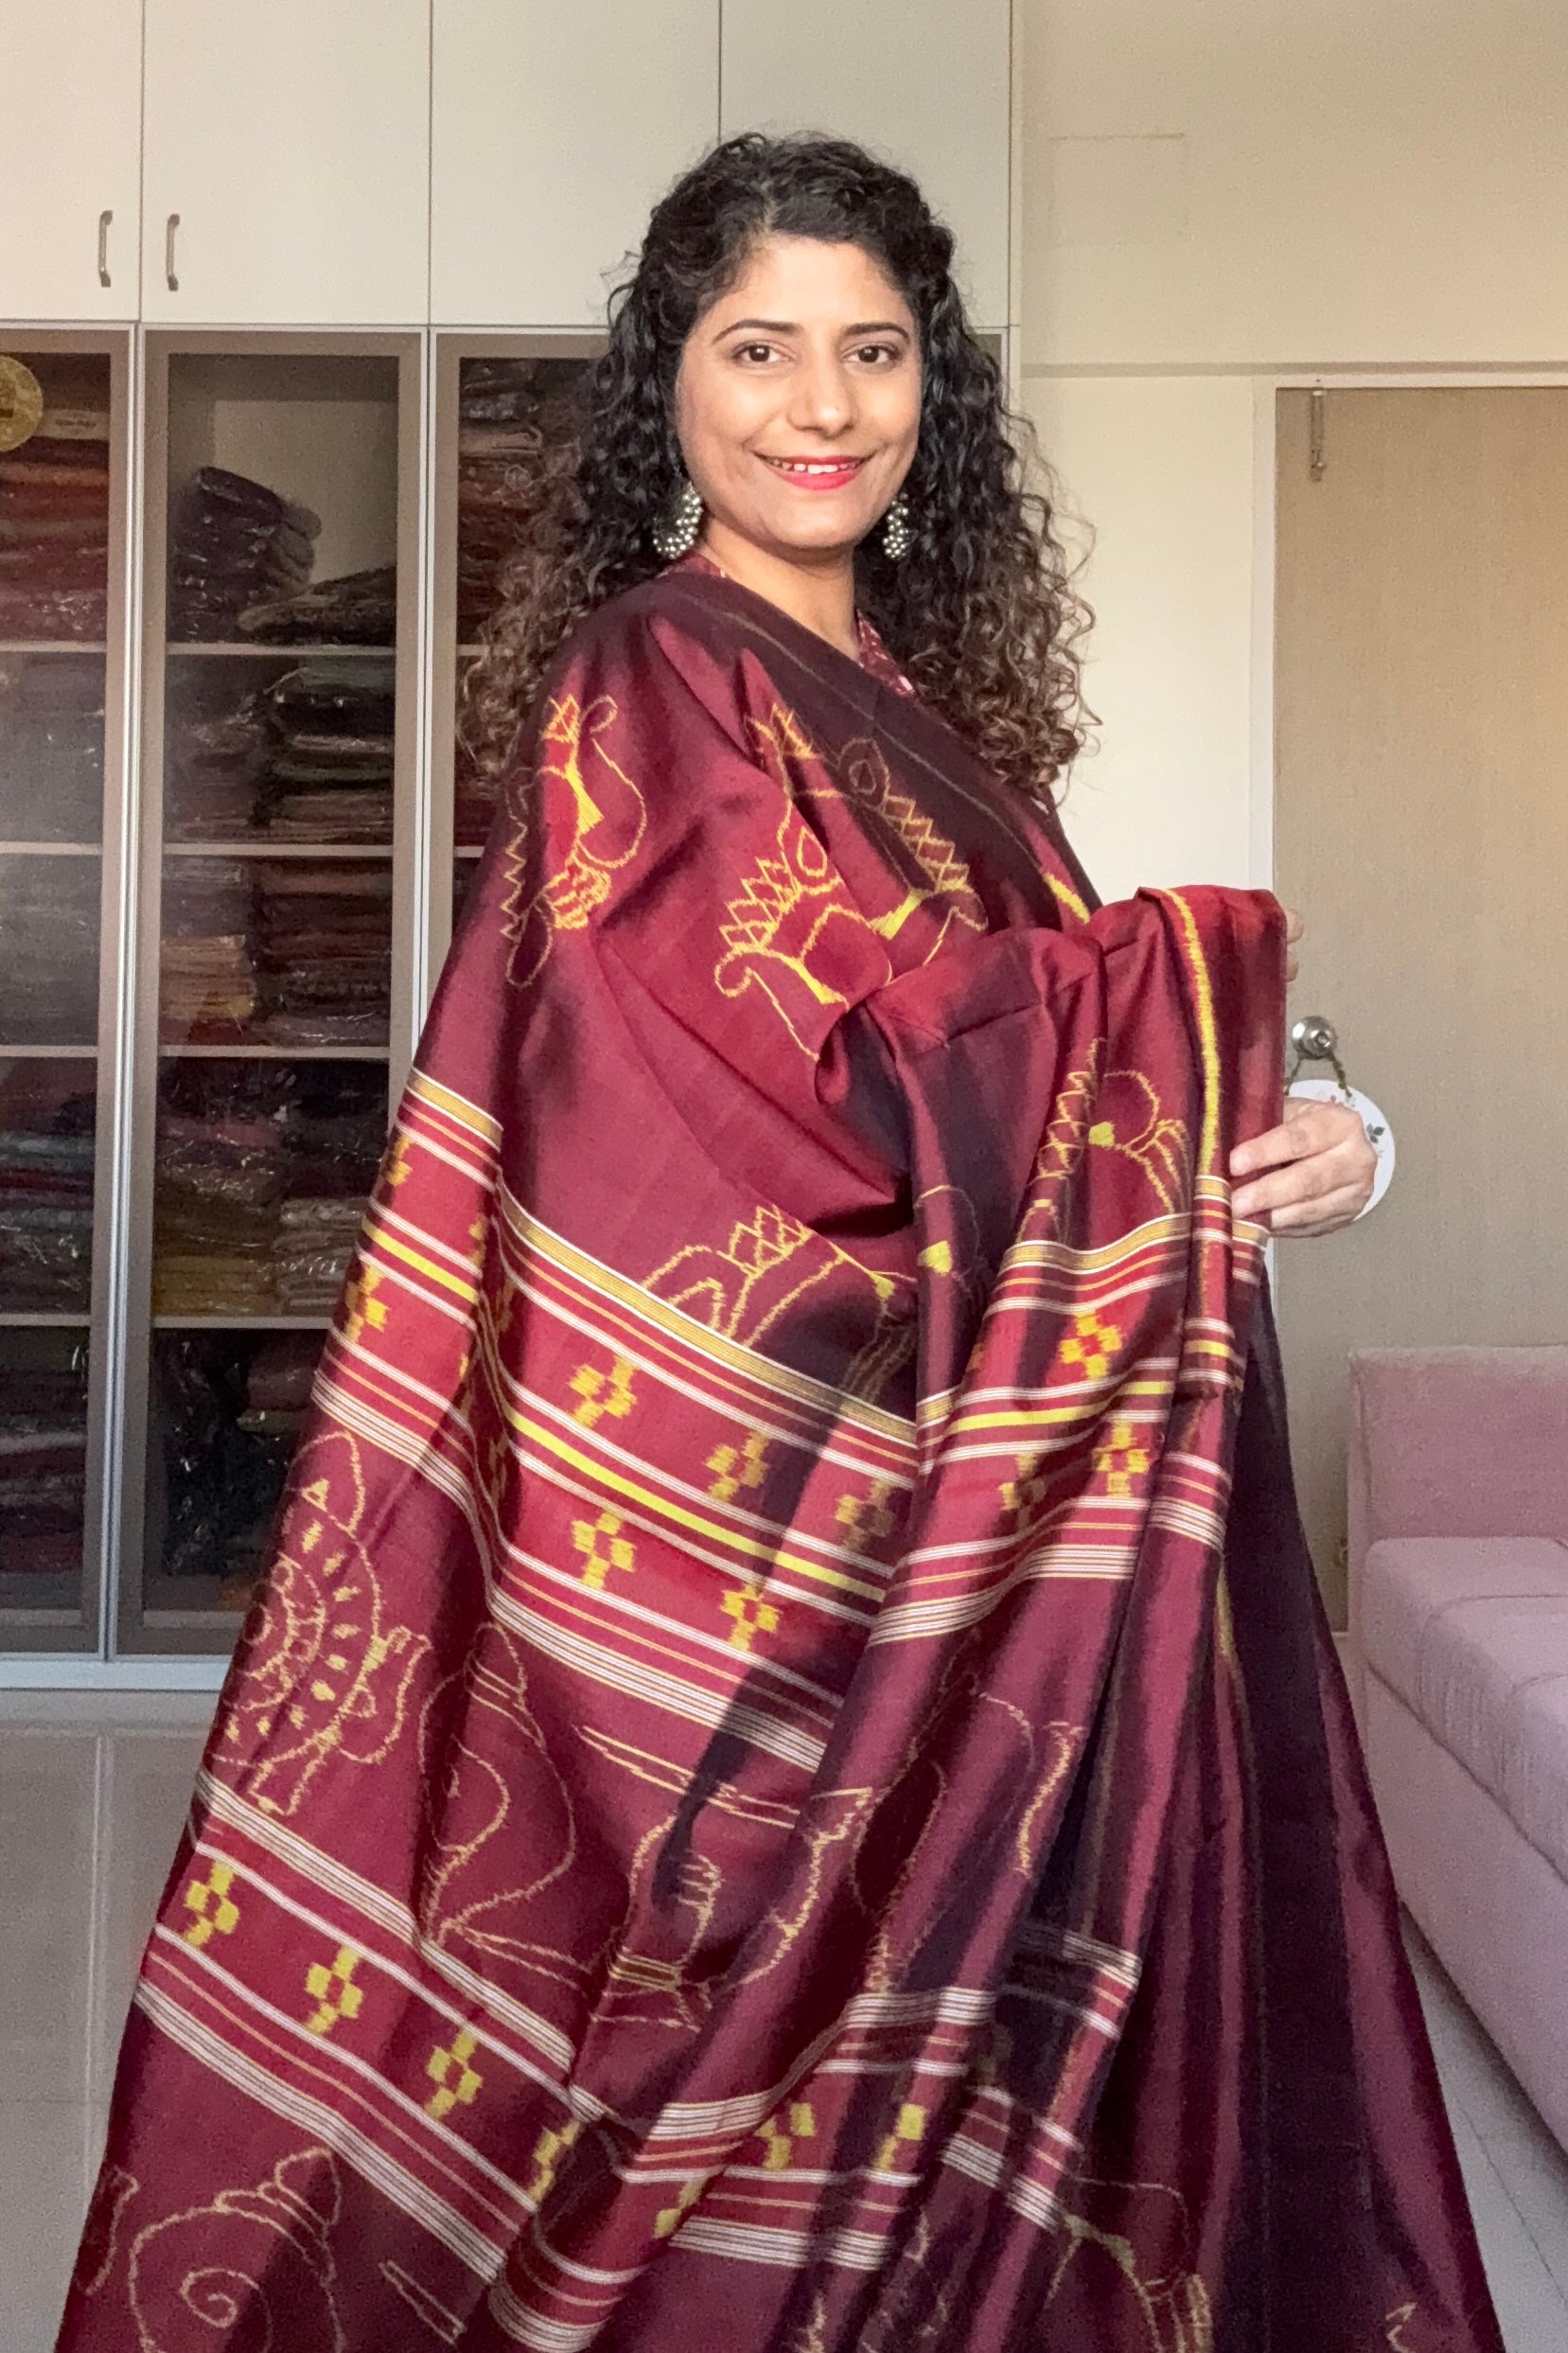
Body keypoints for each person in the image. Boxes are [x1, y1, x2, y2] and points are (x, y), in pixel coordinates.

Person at [58, 136, 1498, 2352]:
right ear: (671, 382)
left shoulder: (930, 718)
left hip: (982, 1543)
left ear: (936, 389)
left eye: (873, 350)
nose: (821, 405)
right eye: (758, 349)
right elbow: (726, 1134)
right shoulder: (654, 675)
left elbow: (1019, 1040)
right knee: (727, 2104)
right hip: (768, 1557)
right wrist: (1175, 1005)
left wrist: (1325, 1120)